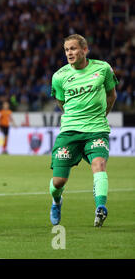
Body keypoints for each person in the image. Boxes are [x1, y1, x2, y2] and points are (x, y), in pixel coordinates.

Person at [49, 34, 118, 227]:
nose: (69, 53)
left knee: (99, 164)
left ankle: (100, 208)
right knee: (58, 182)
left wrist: (102, 116)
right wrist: (75, 118)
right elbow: (61, 102)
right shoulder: (59, 76)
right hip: (70, 132)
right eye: (66, 50)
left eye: (73, 48)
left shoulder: (103, 69)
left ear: (85, 50)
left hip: (96, 129)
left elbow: (112, 95)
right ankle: (56, 201)